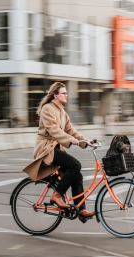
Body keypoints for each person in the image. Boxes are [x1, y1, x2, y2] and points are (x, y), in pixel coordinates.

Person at [23, 82, 95, 223]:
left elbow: (70, 130)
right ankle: (57, 195)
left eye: (66, 93)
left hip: (55, 148)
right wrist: (71, 140)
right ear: (55, 95)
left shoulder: (62, 111)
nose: (66, 95)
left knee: (77, 175)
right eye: (64, 93)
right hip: (46, 148)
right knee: (75, 165)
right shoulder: (48, 108)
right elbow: (54, 130)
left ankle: (81, 210)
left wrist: (86, 141)